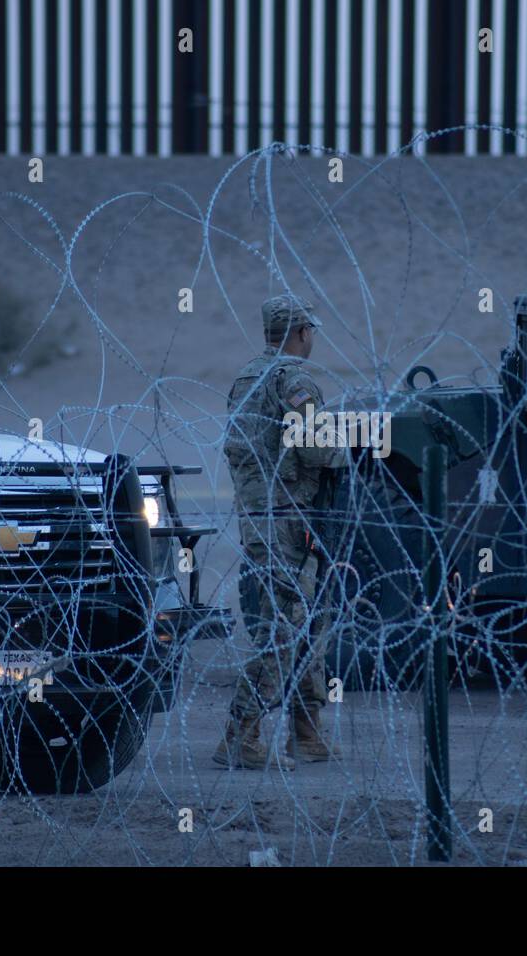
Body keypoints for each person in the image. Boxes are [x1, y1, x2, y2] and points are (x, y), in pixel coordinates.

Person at [214, 293, 345, 769]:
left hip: (263, 517)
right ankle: (240, 734)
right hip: (287, 516)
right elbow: (314, 448)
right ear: (303, 333)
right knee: (285, 628)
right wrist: (352, 449)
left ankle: (306, 733)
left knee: (306, 621)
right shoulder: (295, 379)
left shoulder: (247, 377)